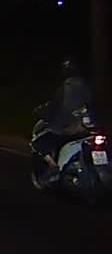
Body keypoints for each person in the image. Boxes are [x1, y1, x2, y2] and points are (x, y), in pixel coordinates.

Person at [32, 57, 95, 186]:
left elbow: (55, 106)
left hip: (68, 127)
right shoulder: (86, 86)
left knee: (38, 142)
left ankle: (53, 167)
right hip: (87, 126)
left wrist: (45, 113)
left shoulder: (66, 87)